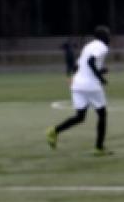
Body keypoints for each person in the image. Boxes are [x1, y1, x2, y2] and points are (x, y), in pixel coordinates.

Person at [46, 25, 111, 155]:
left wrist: (99, 71)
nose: (109, 37)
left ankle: (54, 130)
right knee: (102, 114)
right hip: (91, 85)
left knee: (80, 116)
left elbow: (79, 66)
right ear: (103, 37)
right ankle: (99, 148)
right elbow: (91, 62)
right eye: (108, 35)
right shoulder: (102, 47)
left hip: (77, 85)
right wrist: (100, 77)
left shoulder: (88, 46)